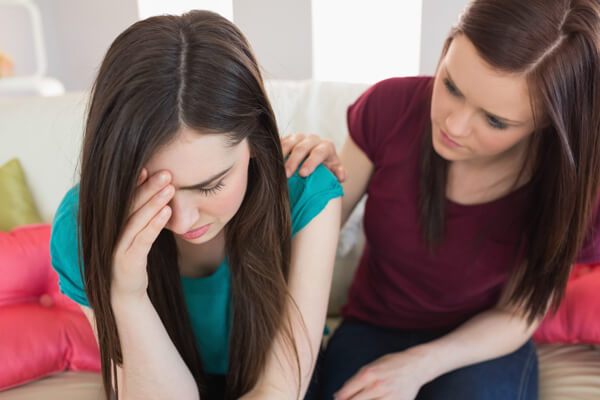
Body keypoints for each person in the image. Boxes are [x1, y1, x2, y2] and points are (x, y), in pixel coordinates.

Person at [282, 0, 600, 398]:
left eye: (495, 120)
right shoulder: (390, 108)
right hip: (371, 327)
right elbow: (305, 238)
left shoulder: (572, 185)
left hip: (481, 344)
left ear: (549, 122)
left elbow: (520, 312)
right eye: (450, 85)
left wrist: (419, 364)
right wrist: (305, 179)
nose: (454, 124)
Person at [49, 11, 342, 400]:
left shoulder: (307, 190)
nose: (184, 220)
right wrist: (128, 295)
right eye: (155, 192)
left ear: (256, 143)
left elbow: (278, 392)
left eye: (211, 185)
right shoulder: (83, 224)